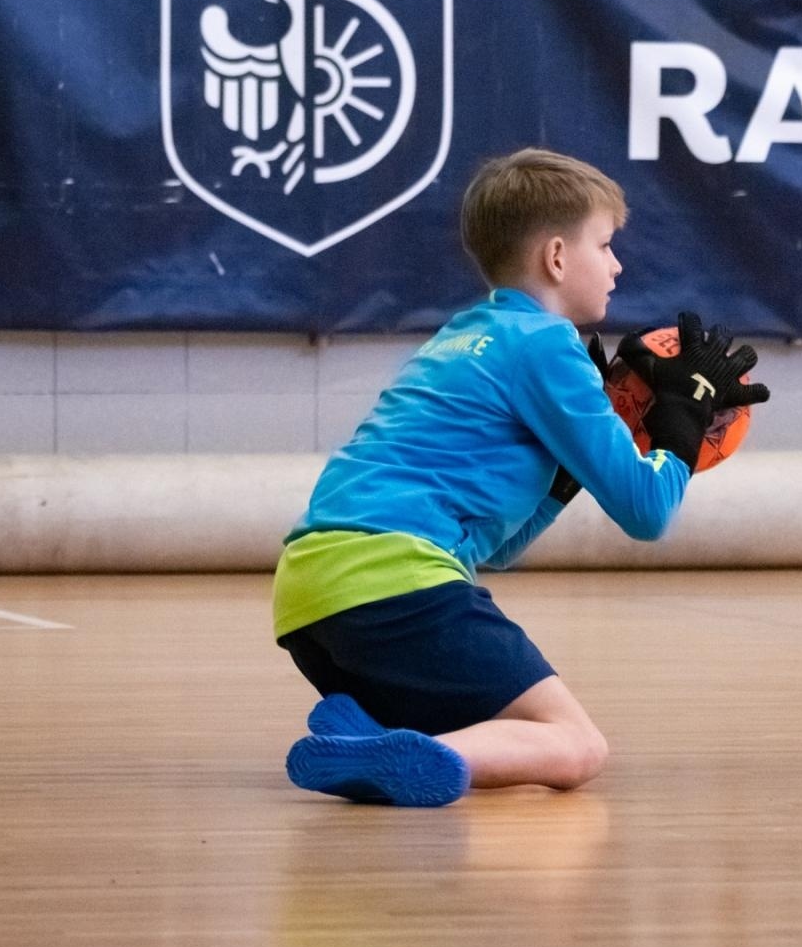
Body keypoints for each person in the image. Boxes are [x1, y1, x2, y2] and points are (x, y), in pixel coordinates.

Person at [274, 147, 769, 806]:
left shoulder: (462, 334)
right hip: (396, 581)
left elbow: (494, 549)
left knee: (488, 726)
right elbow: (647, 511)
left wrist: (564, 478)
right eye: (605, 243)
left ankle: (373, 731)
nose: (617, 264)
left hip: (310, 595)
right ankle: (414, 748)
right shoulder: (547, 344)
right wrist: (679, 423)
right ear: (558, 257)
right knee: (576, 746)